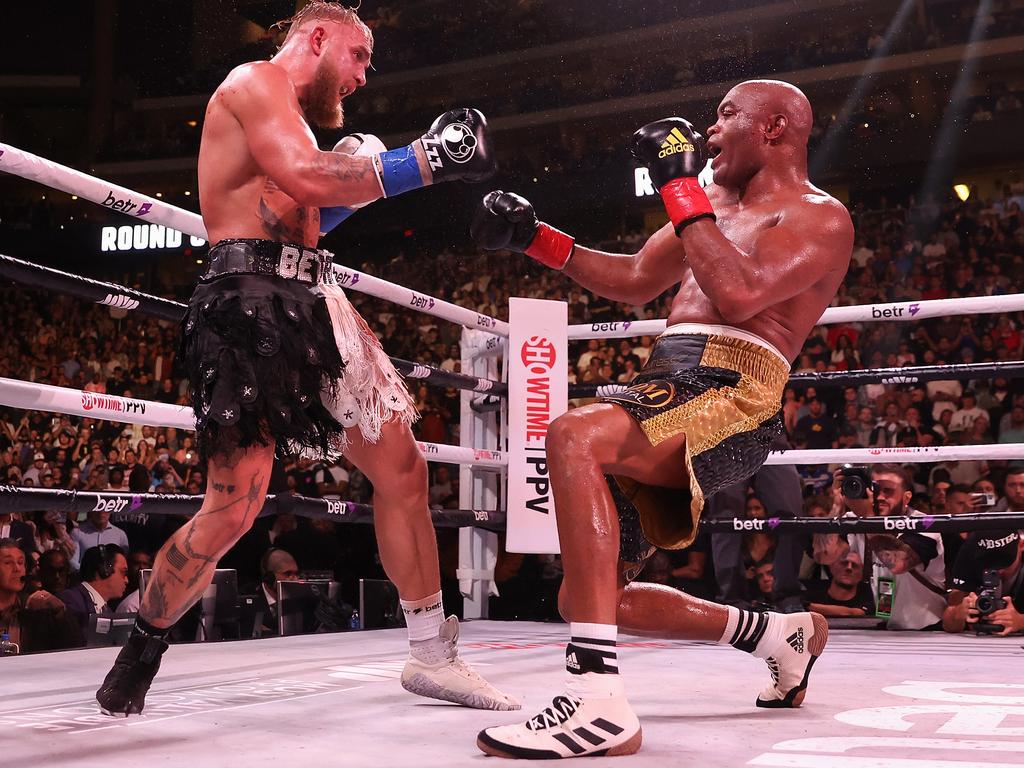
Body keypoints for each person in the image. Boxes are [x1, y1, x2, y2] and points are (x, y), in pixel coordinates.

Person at [96, 2, 515, 716]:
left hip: (313, 295)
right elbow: (310, 180)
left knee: (403, 467)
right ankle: (142, 646)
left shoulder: (291, 120)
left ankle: (432, 656)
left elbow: (310, 205)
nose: (363, 73)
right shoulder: (254, 81)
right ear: (316, 38)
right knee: (236, 504)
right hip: (246, 298)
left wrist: (372, 167)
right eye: (358, 54)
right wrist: (422, 160)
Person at [472, 79, 853, 758]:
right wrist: (534, 239)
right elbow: (634, 279)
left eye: (726, 115)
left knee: (573, 432)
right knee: (588, 598)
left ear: (772, 128)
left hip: (734, 388)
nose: (710, 130)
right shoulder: (710, 210)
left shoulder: (821, 217)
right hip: (666, 381)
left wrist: (681, 190)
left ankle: (595, 700)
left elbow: (739, 296)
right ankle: (775, 636)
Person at [837, 464, 947, 630]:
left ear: (906, 497)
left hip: (928, 631)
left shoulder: (924, 525)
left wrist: (867, 517)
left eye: (888, 491)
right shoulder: (857, 517)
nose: (880, 497)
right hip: (889, 628)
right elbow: (824, 555)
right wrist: (836, 506)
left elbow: (898, 564)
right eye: (875, 489)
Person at [942, 530, 1024, 636]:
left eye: (1004, 563)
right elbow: (948, 623)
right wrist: (959, 612)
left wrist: (1020, 621)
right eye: (988, 562)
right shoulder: (968, 553)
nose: (997, 571)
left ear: (1021, 546)